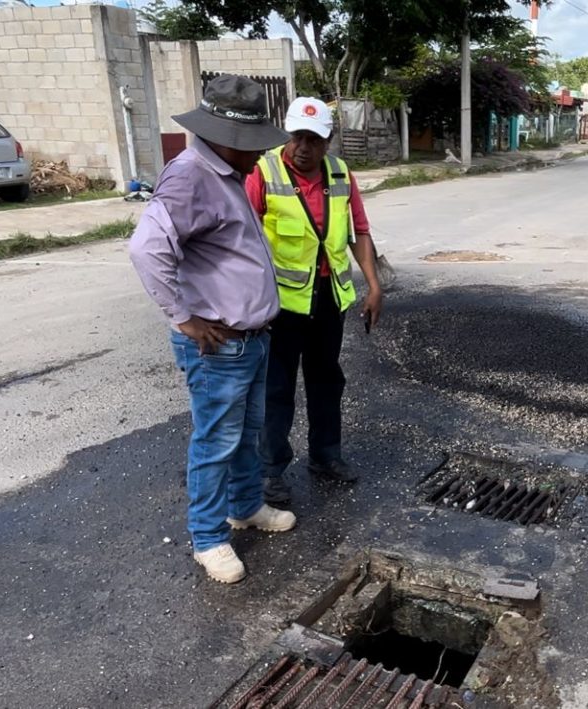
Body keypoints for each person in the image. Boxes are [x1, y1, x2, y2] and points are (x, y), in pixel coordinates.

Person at [128, 75, 298, 585]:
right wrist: (183, 317)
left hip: (250, 339)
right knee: (216, 441)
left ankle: (245, 507)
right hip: (219, 343)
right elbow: (146, 249)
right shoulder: (190, 177)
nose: (258, 156)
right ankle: (207, 537)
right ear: (222, 135)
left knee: (246, 434)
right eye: (250, 147)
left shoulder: (221, 172)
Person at [245, 97, 384, 507]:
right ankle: (270, 472)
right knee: (277, 388)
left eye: (314, 139)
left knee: (327, 379)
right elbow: (242, 238)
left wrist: (373, 286)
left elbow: (360, 232)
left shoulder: (340, 174)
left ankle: (326, 456)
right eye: (296, 137)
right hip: (280, 306)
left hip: (328, 299)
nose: (302, 147)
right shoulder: (263, 172)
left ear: (328, 141)